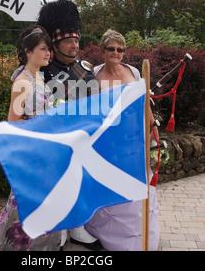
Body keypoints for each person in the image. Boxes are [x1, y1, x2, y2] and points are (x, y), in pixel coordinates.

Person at [84, 29, 161, 251]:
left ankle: (141, 238)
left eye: (120, 49)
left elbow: (145, 103)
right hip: (106, 141)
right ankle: (110, 236)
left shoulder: (134, 72)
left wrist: (152, 129)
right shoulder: (94, 74)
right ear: (102, 50)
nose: (116, 52)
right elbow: (88, 109)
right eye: (111, 48)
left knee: (137, 189)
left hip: (133, 139)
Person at [36, 0, 102, 251]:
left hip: (81, 137)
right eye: (69, 41)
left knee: (82, 182)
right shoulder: (42, 70)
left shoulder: (85, 70)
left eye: (77, 40)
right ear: (55, 43)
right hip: (52, 139)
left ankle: (77, 227)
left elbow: (95, 104)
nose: (75, 45)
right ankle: (59, 229)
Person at [0, 25, 62, 251]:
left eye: (49, 49)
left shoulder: (39, 78)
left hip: (44, 151)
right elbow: (13, 121)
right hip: (31, 153)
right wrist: (44, 124)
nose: (48, 53)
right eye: (43, 49)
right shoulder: (22, 82)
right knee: (23, 206)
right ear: (28, 51)